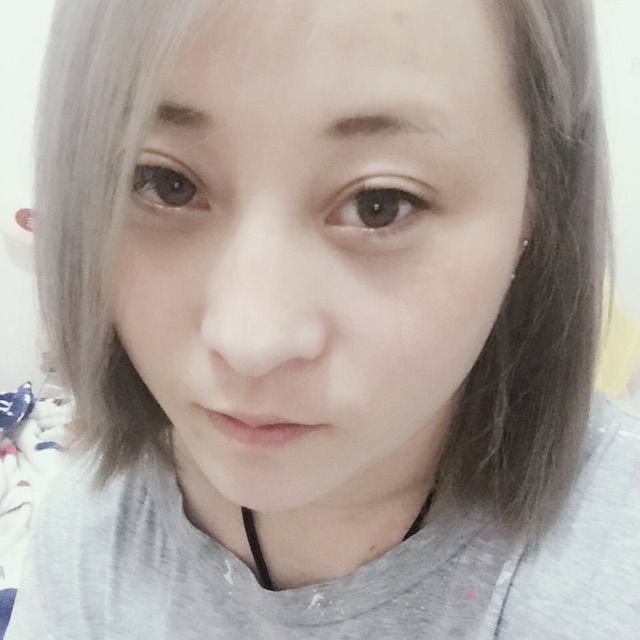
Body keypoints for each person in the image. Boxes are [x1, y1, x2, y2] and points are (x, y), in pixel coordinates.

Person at [6, 0, 640, 638]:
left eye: (379, 203)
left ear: (536, 204)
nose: (250, 341)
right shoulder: (91, 528)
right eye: (165, 183)